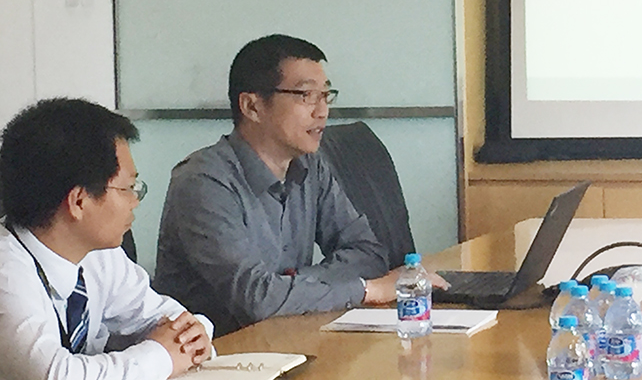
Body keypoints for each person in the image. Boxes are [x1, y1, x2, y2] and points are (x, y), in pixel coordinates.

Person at [154, 35, 446, 336]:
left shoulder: (310, 166)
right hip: (218, 352)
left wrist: (293, 284)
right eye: (306, 95)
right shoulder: (203, 182)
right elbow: (256, 300)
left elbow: (368, 253)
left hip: (286, 339)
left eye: (326, 95)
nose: (322, 111)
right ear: (252, 106)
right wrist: (367, 290)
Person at [0, 98, 213, 380]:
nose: (136, 201)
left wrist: (194, 334)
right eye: (127, 188)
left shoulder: (99, 254)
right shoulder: (7, 270)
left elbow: (166, 318)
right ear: (79, 201)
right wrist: (160, 356)